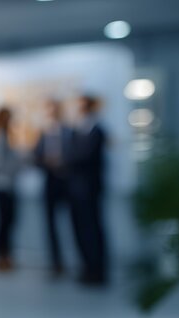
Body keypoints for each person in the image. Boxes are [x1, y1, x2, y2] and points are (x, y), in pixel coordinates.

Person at [66, 95, 108, 286]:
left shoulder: (97, 131)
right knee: (80, 230)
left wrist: (65, 159)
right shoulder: (76, 131)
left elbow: (83, 157)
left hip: (90, 189)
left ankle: (97, 269)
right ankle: (87, 267)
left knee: (93, 229)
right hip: (76, 189)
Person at [33, 99, 70, 276]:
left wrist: (63, 162)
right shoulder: (43, 133)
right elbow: (36, 157)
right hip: (50, 182)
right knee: (50, 225)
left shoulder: (69, 131)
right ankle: (56, 262)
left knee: (75, 224)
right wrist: (47, 161)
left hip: (68, 182)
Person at [0, 107, 22, 272]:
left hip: (8, 186)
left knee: (8, 223)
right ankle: (2, 257)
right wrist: (14, 166)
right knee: (4, 223)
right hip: (3, 186)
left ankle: (5, 256)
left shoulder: (6, 136)